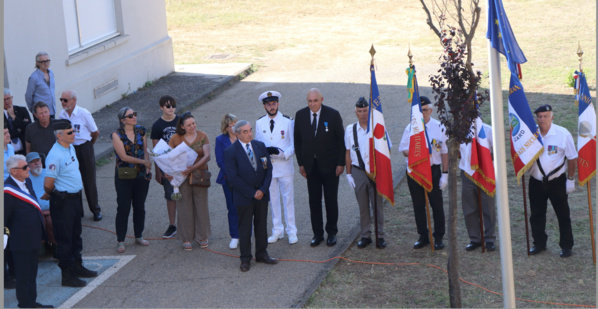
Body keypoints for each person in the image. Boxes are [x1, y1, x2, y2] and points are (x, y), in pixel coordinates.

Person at [43, 119, 97, 287]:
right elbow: (48, 184)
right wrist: (54, 194)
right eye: (70, 133)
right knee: (65, 239)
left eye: (73, 131)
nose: (74, 134)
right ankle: (67, 275)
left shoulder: (70, 147)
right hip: (63, 201)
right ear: (59, 136)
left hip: (74, 199)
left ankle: (77, 266)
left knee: (75, 235)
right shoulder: (55, 155)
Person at [294, 88, 345, 247]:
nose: (312, 104)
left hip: (330, 167)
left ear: (321, 99)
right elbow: (297, 141)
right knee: (314, 202)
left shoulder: (332, 114)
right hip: (311, 167)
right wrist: (301, 163)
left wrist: (340, 163)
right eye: (309, 101)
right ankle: (317, 234)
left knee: (330, 201)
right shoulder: (301, 115)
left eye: (315, 101)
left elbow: (340, 141)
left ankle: (331, 233)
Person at [224, 120, 277, 272]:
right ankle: (245, 258)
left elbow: (268, 169)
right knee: (245, 228)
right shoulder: (231, 152)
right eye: (245, 132)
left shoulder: (260, 146)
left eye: (250, 130)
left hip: (262, 194)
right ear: (237, 133)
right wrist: (252, 192)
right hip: (244, 197)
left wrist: (262, 189)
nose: (249, 134)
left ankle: (262, 253)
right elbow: (233, 177)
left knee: (261, 225)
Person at [398, 96, 448, 250]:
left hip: (433, 170)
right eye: (420, 111)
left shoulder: (439, 127)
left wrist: (445, 174)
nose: (423, 113)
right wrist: (416, 153)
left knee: (436, 205)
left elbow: (445, 152)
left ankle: (438, 237)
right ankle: (423, 236)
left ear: (431, 110)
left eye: (425, 110)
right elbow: (403, 151)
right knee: (418, 205)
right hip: (415, 171)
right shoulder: (410, 128)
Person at [528, 104, 577, 258]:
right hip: (536, 181)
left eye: (546, 116)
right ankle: (539, 244)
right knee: (536, 214)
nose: (543, 119)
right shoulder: (531, 133)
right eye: (540, 116)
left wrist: (570, 180)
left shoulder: (563, 134)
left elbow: (572, 157)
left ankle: (566, 246)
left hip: (557, 182)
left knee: (562, 214)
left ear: (552, 117)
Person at [4, 155, 53, 308]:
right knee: (23, 277)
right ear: (13, 171)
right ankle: (24, 304)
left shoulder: (28, 181)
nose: (28, 169)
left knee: (32, 275)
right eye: (25, 167)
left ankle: (32, 302)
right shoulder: (7, 192)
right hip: (20, 241)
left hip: (33, 237)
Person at [255, 91, 298, 245]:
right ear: (264, 106)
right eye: (268, 104)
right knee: (273, 200)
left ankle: (291, 231)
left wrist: (284, 154)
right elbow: (258, 146)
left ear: (278, 104)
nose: (271, 107)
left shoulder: (287, 121)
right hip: (269, 168)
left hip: (285, 166)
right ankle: (277, 230)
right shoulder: (260, 123)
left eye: (274, 104)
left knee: (288, 199)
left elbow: (294, 144)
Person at [345, 97, 388, 249]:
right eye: (360, 111)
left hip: (376, 172)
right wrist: (348, 174)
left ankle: (380, 235)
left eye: (365, 111)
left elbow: (386, 149)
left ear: (369, 111)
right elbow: (348, 153)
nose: (363, 114)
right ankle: (365, 235)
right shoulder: (350, 129)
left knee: (377, 205)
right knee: (363, 205)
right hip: (358, 172)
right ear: (355, 112)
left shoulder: (378, 128)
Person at [167, 112, 212, 251]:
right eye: (189, 125)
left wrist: (193, 167)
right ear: (182, 126)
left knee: (201, 205)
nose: (193, 126)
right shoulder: (175, 139)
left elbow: (207, 156)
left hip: (199, 175)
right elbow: (168, 158)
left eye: (194, 123)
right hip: (182, 177)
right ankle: (186, 238)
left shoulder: (202, 135)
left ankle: (202, 236)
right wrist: (168, 173)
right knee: (184, 206)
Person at [111, 107, 152, 254]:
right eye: (130, 116)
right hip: (124, 176)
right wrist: (144, 163)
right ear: (123, 120)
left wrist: (147, 166)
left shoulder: (141, 130)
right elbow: (123, 157)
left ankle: (138, 235)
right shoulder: (117, 134)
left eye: (135, 114)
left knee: (139, 207)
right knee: (123, 207)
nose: (134, 117)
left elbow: (146, 150)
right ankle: (120, 240)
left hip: (141, 175)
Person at [58, 90, 102, 221]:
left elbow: (95, 132)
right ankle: (78, 211)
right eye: (61, 100)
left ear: (74, 100)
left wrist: (88, 146)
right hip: (70, 149)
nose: (62, 102)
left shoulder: (83, 113)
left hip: (84, 147)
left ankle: (95, 209)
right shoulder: (62, 115)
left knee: (89, 180)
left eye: (65, 100)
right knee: (73, 179)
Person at [459, 122, 496, 252]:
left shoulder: (488, 130)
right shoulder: (460, 131)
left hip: (485, 173)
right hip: (467, 173)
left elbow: (496, 152)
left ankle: (490, 239)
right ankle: (475, 239)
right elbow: (458, 152)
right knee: (469, 208)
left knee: (488, 207)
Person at [150, 95, 179, 239]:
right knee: (170, 196)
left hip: (182, 163)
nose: (171, 108)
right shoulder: (157, 125)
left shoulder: (181, 121)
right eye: (168, 106)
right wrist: (158, 170)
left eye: (173, 105)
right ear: (161, 107)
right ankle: (172, 225)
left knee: (185, 194)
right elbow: (156, 150)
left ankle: (187, 224)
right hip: (167, 166)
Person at [215, 113, 240, 249]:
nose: (236, 127)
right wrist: (233, 175)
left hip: (245, 179)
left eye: (237, 123)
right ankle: (235, 236)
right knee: (232, 208)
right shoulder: (220, 140)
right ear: (226, 128)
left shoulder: (243, 136)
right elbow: (220, 161)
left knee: (246, 208)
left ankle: (247, 233)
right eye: (232, 125)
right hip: (228, 180)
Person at [26, 152, 57, 253]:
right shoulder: (25, 178)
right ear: (28, 165)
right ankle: (41, 246)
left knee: (51, 221)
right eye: (32, 162)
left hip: (51, 208)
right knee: (41, 221)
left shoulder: (48, 174)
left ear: (41, 161)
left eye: (38, 160)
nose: (36, 164)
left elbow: (57, 190)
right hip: (34, 210)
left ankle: (55, 246)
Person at [25, 52, 56, 118]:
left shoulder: (51, 73)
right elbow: (28, 96)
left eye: (47, 61)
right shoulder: (33, 77)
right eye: (43, 61)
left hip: (51, 110)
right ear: (37, 63)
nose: (46, 63)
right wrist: (34, 110)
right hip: (41, 114)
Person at [4, 89, 32, 155]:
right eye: (3, 100)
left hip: (24, 149)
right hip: (8, 152)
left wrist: (14, 117)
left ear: (12, 98)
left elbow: (28, 127)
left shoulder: (22, 110)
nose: (6, 101)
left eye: (8, 98)